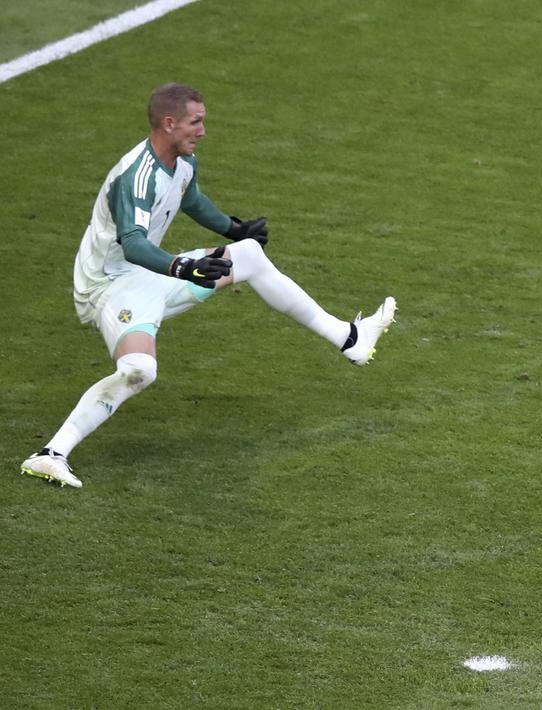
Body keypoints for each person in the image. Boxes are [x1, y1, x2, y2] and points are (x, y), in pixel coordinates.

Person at [19, 83, 397, 490]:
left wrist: (234, 228)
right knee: (139, 370)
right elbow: (132, 243)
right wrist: (184, 267)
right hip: (108, 286)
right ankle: (50, 454)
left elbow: (191, 199)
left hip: (147, 274)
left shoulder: (183, 161)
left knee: (248, 254)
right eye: (195, 122)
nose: (202, 131)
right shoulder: (137, 177)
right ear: (169, 123)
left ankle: (349, 338)